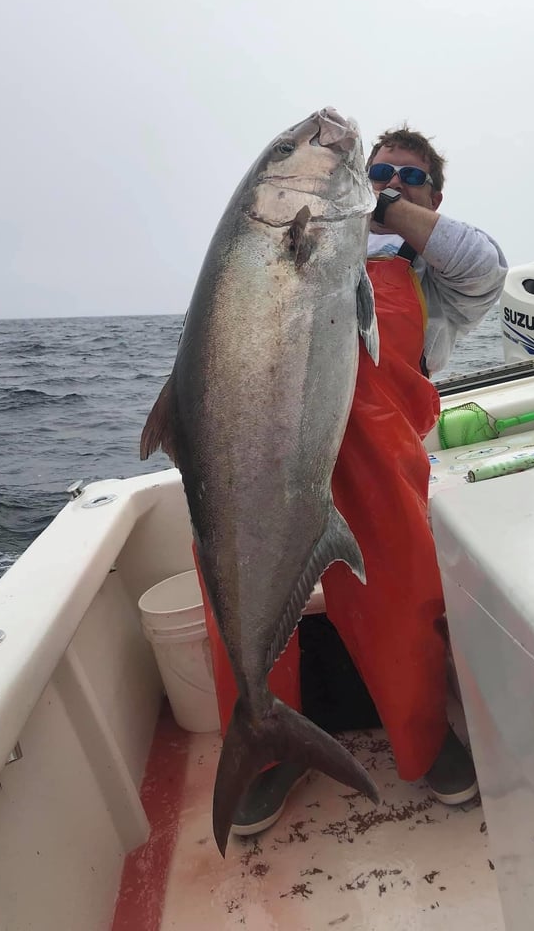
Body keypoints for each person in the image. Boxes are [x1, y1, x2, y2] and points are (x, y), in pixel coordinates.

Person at [202, 125, 508, 837]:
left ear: (435, 196)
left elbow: (487, 262)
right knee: (231, 570)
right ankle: (265, 744)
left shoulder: (440, 278)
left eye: (412, 177)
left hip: (377, 464)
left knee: (400, 583)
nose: (392, 183)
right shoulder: (299, 246)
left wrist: (383, 206)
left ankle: (425, 740)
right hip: (269, 445)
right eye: (380, 171)